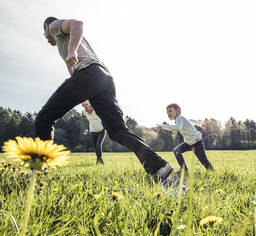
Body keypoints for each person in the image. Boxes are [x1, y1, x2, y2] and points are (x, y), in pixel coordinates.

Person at [36, 17, 173, 182]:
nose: (46, 37)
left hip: (88, 74)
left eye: (45, 33)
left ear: (46, 27)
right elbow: (73, 69)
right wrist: (83, 91)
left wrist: (72, 50)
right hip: (104, 78)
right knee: (117, 131)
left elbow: (77, 23)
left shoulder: (53, 26)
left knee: (43, 119)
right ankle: (159, 167)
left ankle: (40, 172)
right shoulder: (66, 41)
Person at [155, 103, 214, 173]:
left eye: (170, 111)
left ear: (177, 111)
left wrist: (163, 127)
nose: (168, 113)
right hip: (188, 143)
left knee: (203, 160)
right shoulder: (181, 119)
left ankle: (212, 173)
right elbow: (190, 121)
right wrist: (200, 124)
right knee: (176, 151)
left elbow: (177, 127)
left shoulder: (179, 118)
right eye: (167, 112)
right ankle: (184, 170)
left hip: (197, 142)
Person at [82, 100, 106, 164]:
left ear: (90, 104)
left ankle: (100, 160)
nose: (86, 106)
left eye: (87, 104)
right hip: (93, 131)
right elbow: (85, 120)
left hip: (101, 130)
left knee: (98, 145)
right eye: (84, 105)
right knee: (95, 147)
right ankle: (99, 160)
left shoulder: (96, 110)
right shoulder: (84, 112)